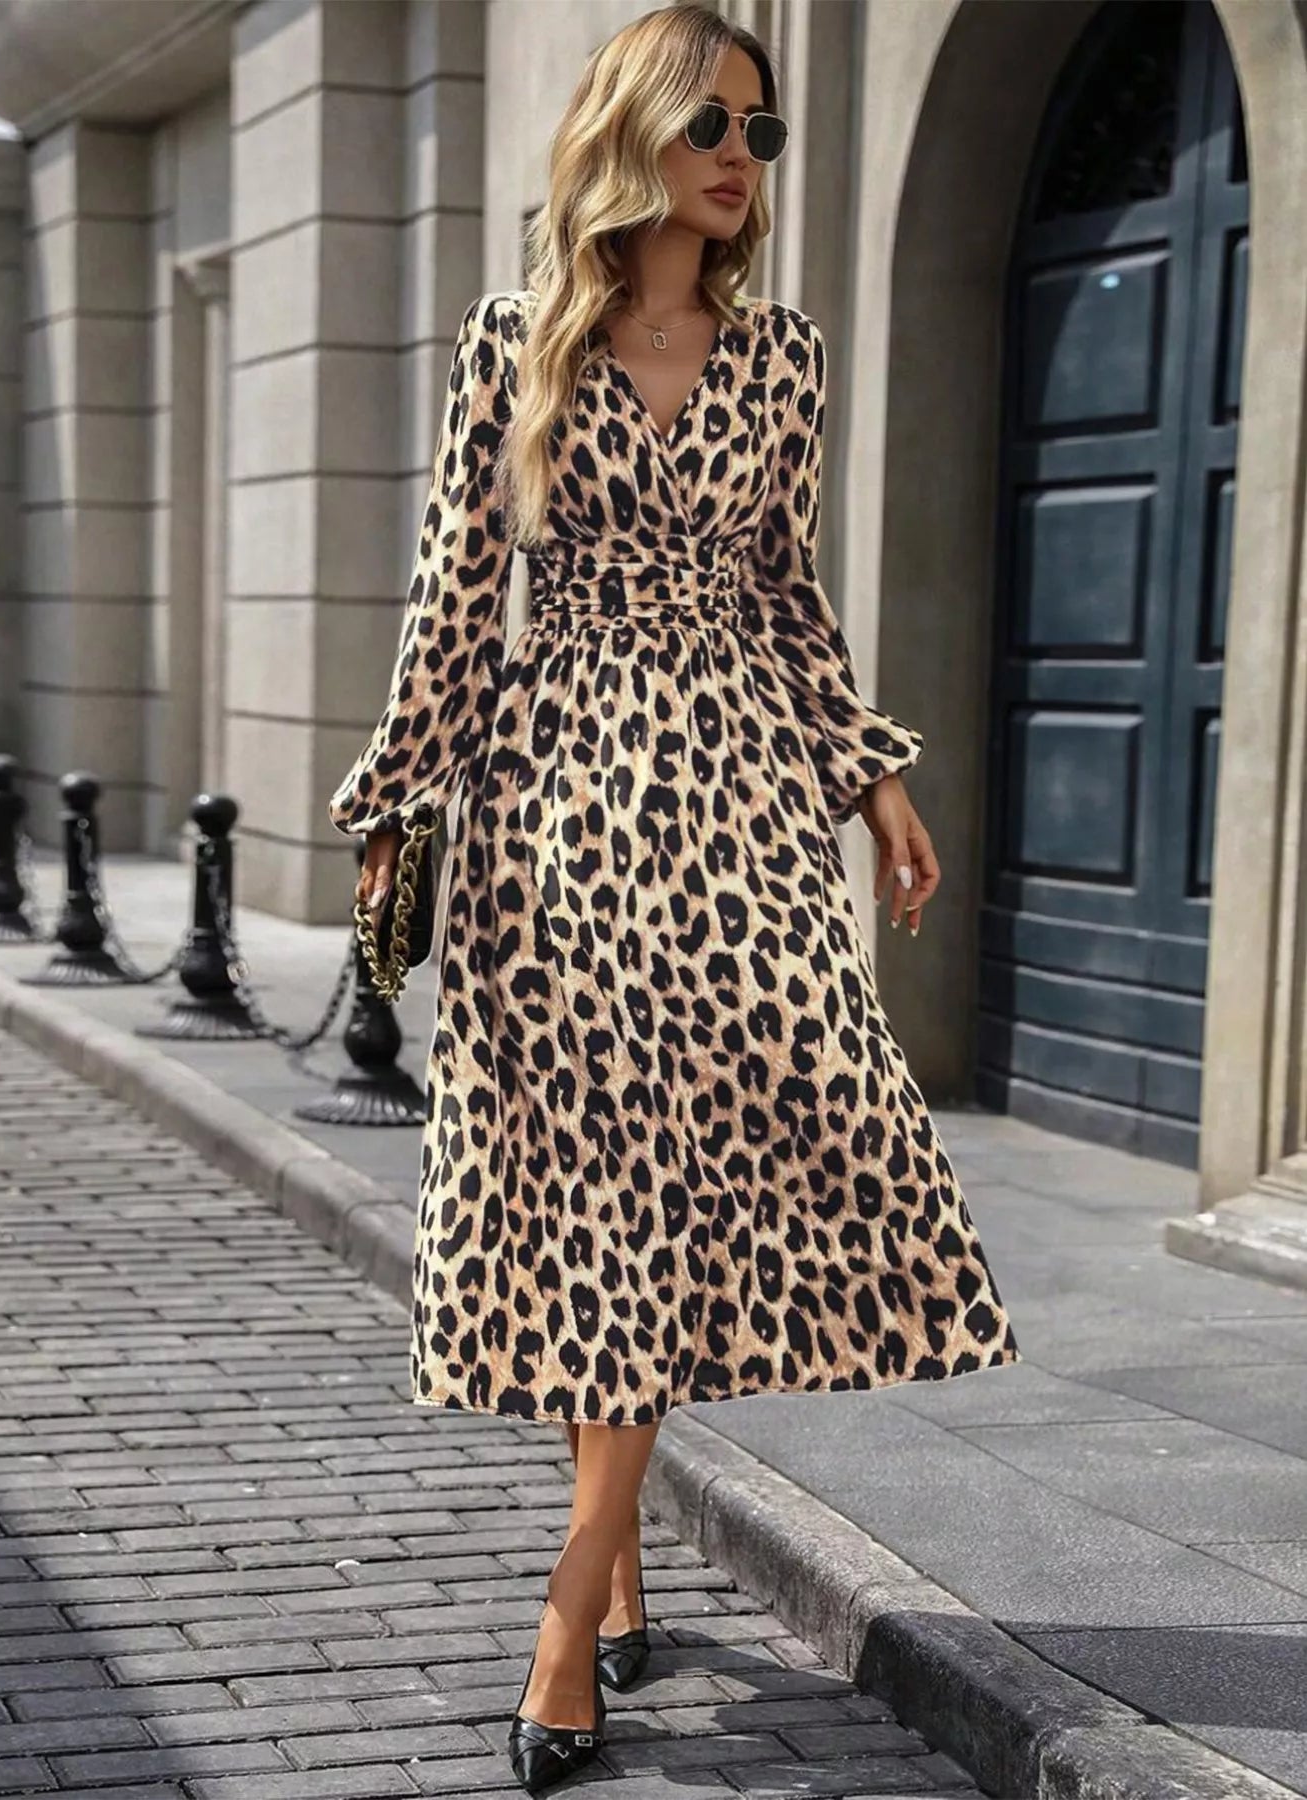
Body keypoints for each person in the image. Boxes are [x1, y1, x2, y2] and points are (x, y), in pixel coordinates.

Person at [328, 5, 1021, 1790]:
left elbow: (788, 599)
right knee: (594, 1183)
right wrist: (394, 805)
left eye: (764, 134)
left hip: (731, 811)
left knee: (681, 1169)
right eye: (713, 123)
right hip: (553, 806)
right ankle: (617, 1553)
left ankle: (570, 1613)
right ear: (634, 131)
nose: (739, 157)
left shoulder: (777, 357)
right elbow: (450, 596)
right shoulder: (514, 343)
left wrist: (872, 779)